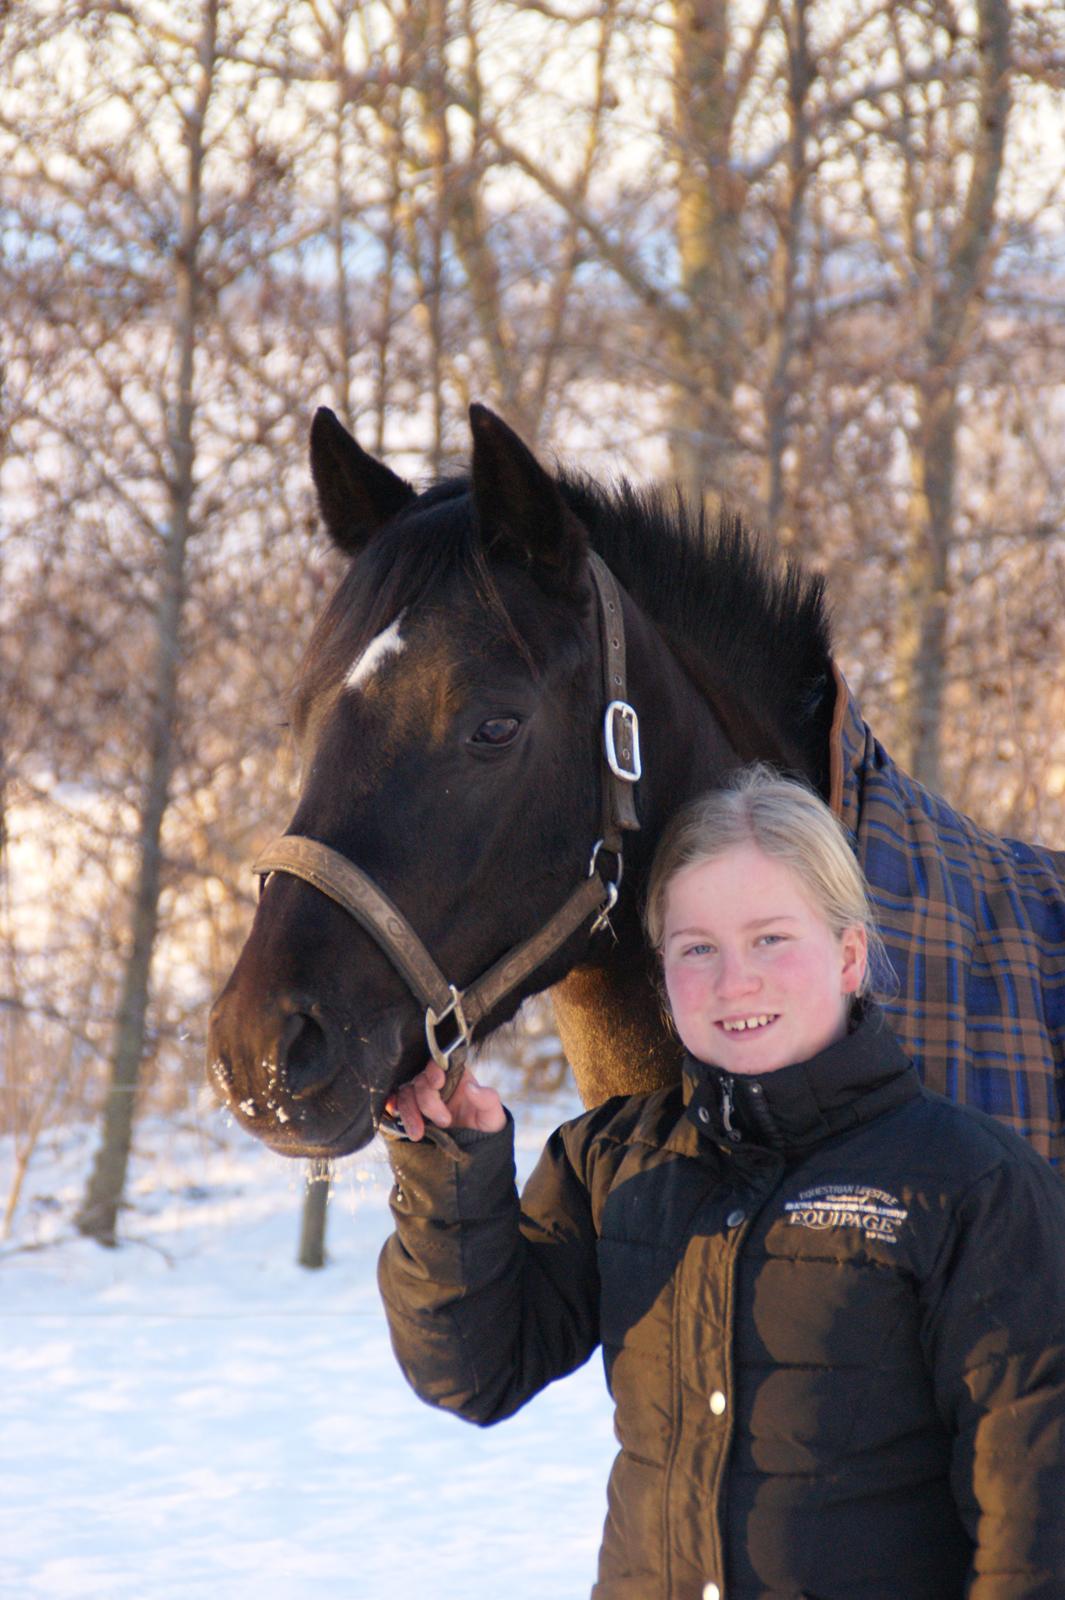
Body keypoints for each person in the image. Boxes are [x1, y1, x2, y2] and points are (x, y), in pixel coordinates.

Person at [378, 766, 1065, 1599]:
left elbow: (1034, 1521)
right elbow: (473, 1372)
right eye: (696, 949)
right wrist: (453, 1173)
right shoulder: (608, 1162)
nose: (733, 981)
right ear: (662, 976)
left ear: (849, 956)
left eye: (770, 938)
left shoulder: (972, 1184)